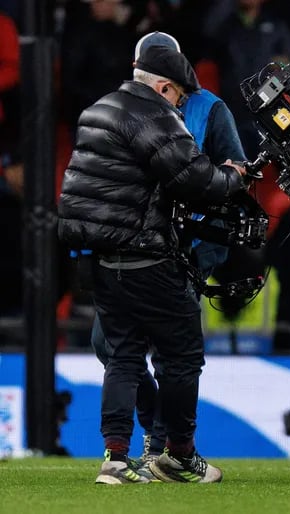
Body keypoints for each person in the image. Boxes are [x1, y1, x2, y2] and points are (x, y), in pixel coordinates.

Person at [58, 45, 247, 484]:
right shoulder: (154, 116)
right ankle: (178, 457)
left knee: (122, 357)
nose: (181, 105)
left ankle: (116, 460)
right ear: (164, 87)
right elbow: (198, 181)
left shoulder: (98, 109)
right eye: (179, 96)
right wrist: (236, 175)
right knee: (182, 356)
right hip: (147, 257)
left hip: (101, 260)